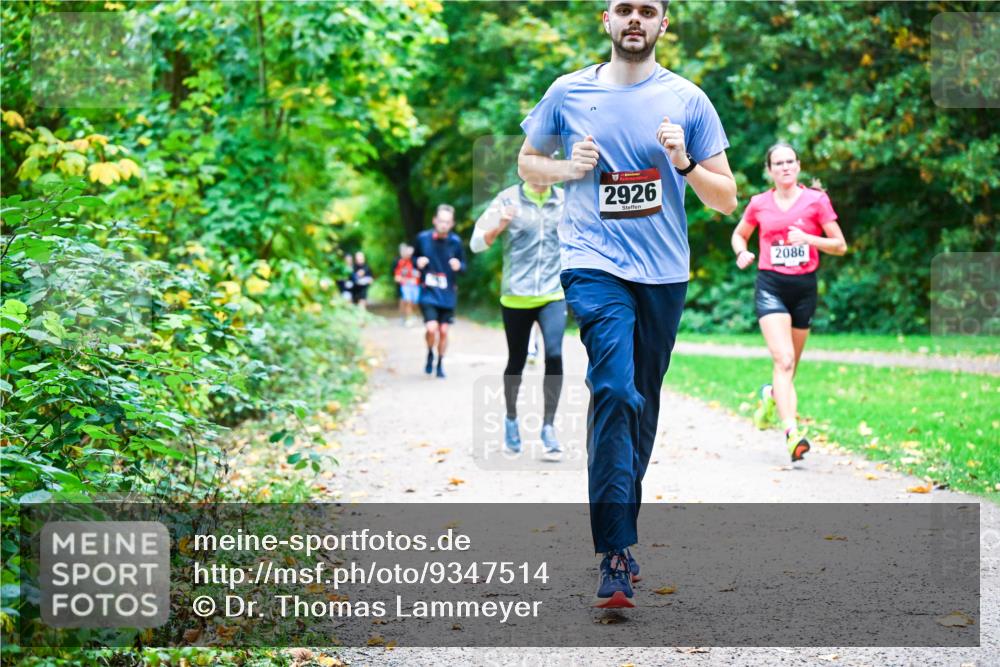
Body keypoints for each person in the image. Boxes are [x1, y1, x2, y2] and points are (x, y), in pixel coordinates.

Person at [517, 0, 736, 609]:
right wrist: (567, 168)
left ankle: (620, 530)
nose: (634, 19)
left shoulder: (688, 100)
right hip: (592, 263)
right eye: (623, 9)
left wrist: (684, 162)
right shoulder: (567, 91)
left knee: (640, 401)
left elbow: (725, 198)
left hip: (664, 274)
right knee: (612, 388)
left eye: (647, 10)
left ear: (663, 24)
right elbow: (528, 163)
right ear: (605, 22)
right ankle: (614, 552)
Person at [731, 142, 847, 462]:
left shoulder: (816, 201)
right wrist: (742, 252)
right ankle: (792, 433)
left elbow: (839, 245)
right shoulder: (759, 204)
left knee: (790, 366)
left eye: (790, 161)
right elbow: (739, 234)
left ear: (798, 166)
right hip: (771, 286)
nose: (785, 167)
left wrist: (809, 239)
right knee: (782, 360)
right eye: (778, 163)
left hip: (804, 289)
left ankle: (770, 396)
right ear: (769, 170)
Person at [471, 180, 567, 461]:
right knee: (516, 361)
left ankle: (548, 427)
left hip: (552, 293)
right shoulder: (506, 199)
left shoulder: (564, 199)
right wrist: (499, 225)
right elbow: (476, 243)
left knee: (554, 353)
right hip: (516, 296)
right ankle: (511, 419)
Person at [413, 204, 465, 378]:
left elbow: (464, 267)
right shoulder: (422, 238)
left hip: (447, 294)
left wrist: (459, 266)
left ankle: (440, 362)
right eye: (441, 220)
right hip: (428, 292)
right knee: (431, 328)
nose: (444, 224)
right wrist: (417, 262)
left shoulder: (455, 242)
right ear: (435, 220)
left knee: (443, 331)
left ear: (452, 224)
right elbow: (413, 258)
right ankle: (429, 352)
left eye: (447, 222)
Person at [394, 244, 421, 327]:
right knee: (408, 301)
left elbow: (423, 273)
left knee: (415, 302)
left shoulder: (417, 262)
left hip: (416, 286)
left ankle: (412, 315)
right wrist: (404, 280)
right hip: (406, 286)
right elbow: (397, 277)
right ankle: (408, 319)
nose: (409, 254)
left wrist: (417, 278)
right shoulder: (401, 262)